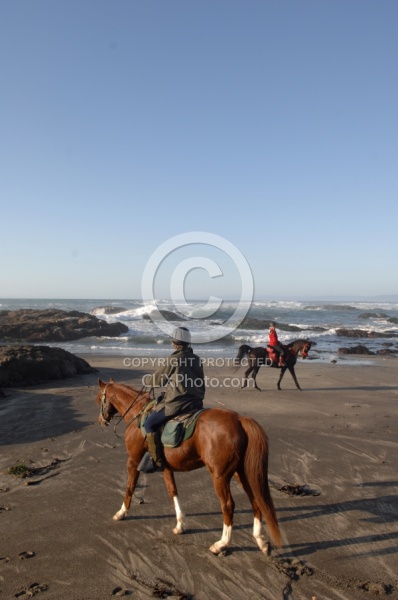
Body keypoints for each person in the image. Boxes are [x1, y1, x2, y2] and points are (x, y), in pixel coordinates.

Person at [142, 326, 205, 471]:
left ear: (174, 342)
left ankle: (157, 462)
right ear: (188, 343)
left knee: (149, 424)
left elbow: (158, 380)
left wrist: (148, 381)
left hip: (177, 403)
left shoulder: (174, 358)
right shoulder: (196, 359)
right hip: (196, 402)